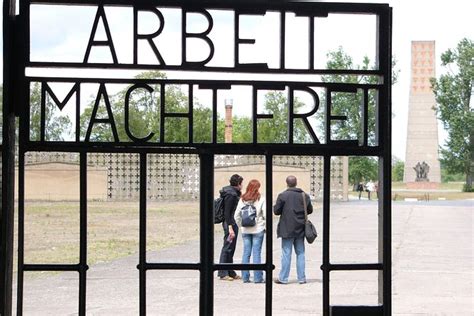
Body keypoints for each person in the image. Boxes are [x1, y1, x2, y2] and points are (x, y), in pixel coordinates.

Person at [273, 175, 313, 284]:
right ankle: (302, 278)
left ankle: (283, 278)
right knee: (300, 253)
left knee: (286, 253)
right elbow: (310, 210)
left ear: (287, 183)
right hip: (300, 228)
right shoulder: (304, 195)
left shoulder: (283, 195)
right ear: (296, 183)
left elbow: (276, 211)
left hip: (286, 228)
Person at [234, 179, 266, 283]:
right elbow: (265, 215)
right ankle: (257, 278)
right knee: (256, 253)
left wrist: (241, 225)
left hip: (245, 230)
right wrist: (264, 225)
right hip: (258, 229)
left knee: (246, 253)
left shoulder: (242, 199)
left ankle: (245, 277)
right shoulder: (261, 199)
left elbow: (236, 215)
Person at [217, 174, 243, 281]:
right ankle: (223, 272)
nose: (242, 186)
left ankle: (230, 271)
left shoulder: (233, 193)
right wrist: (230, 227)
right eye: (241, 183)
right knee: (227, 247)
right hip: (230, 224)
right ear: (238, 184)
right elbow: (228, 213)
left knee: (231, 247)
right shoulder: (231, 195)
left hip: (232, 223)